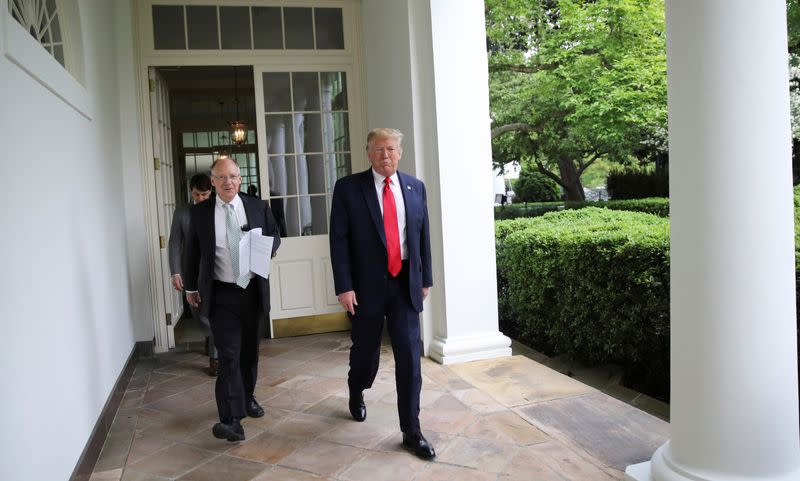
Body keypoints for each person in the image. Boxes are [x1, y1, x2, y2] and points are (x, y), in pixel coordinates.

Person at [329, 128, 435, 460]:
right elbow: (339, 241)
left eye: (390, 149)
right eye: (378, 149)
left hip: (404, 284)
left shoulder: (415, 187)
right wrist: (344, 286)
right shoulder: (348, 189)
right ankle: (356, 388)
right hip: (364, 288)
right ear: (368, 153)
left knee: (409, 358)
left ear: (400, 152)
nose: (384, 155)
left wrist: (425, 278)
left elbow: (422, 238)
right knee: (365, 354)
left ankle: (411, 430)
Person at [183, 156, 281, 442]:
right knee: (228, 357)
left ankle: (248, 397)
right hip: (221, 293)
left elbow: (276, 235)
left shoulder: (257, 206)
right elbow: (192, 254)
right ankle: (230, 420)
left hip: (252, 290)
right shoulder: (200, 213)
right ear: (212, 182)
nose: (229, 182)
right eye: (222, 177)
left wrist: (266, 246)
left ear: (240, 179)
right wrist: (190, 288)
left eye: (233, 176)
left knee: (249, 354)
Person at [168, 173, 218, 376]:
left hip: (215, 270)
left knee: (214, 313)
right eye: (197, 195)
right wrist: (175, 272)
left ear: (211, 192)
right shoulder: (182, 213)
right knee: (198, 311)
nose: (200, 199)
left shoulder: (218, 209)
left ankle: (216, 357)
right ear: (191, 192)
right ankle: (209, 335)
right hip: (191, 271)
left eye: (205, 195)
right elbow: (174, 243)